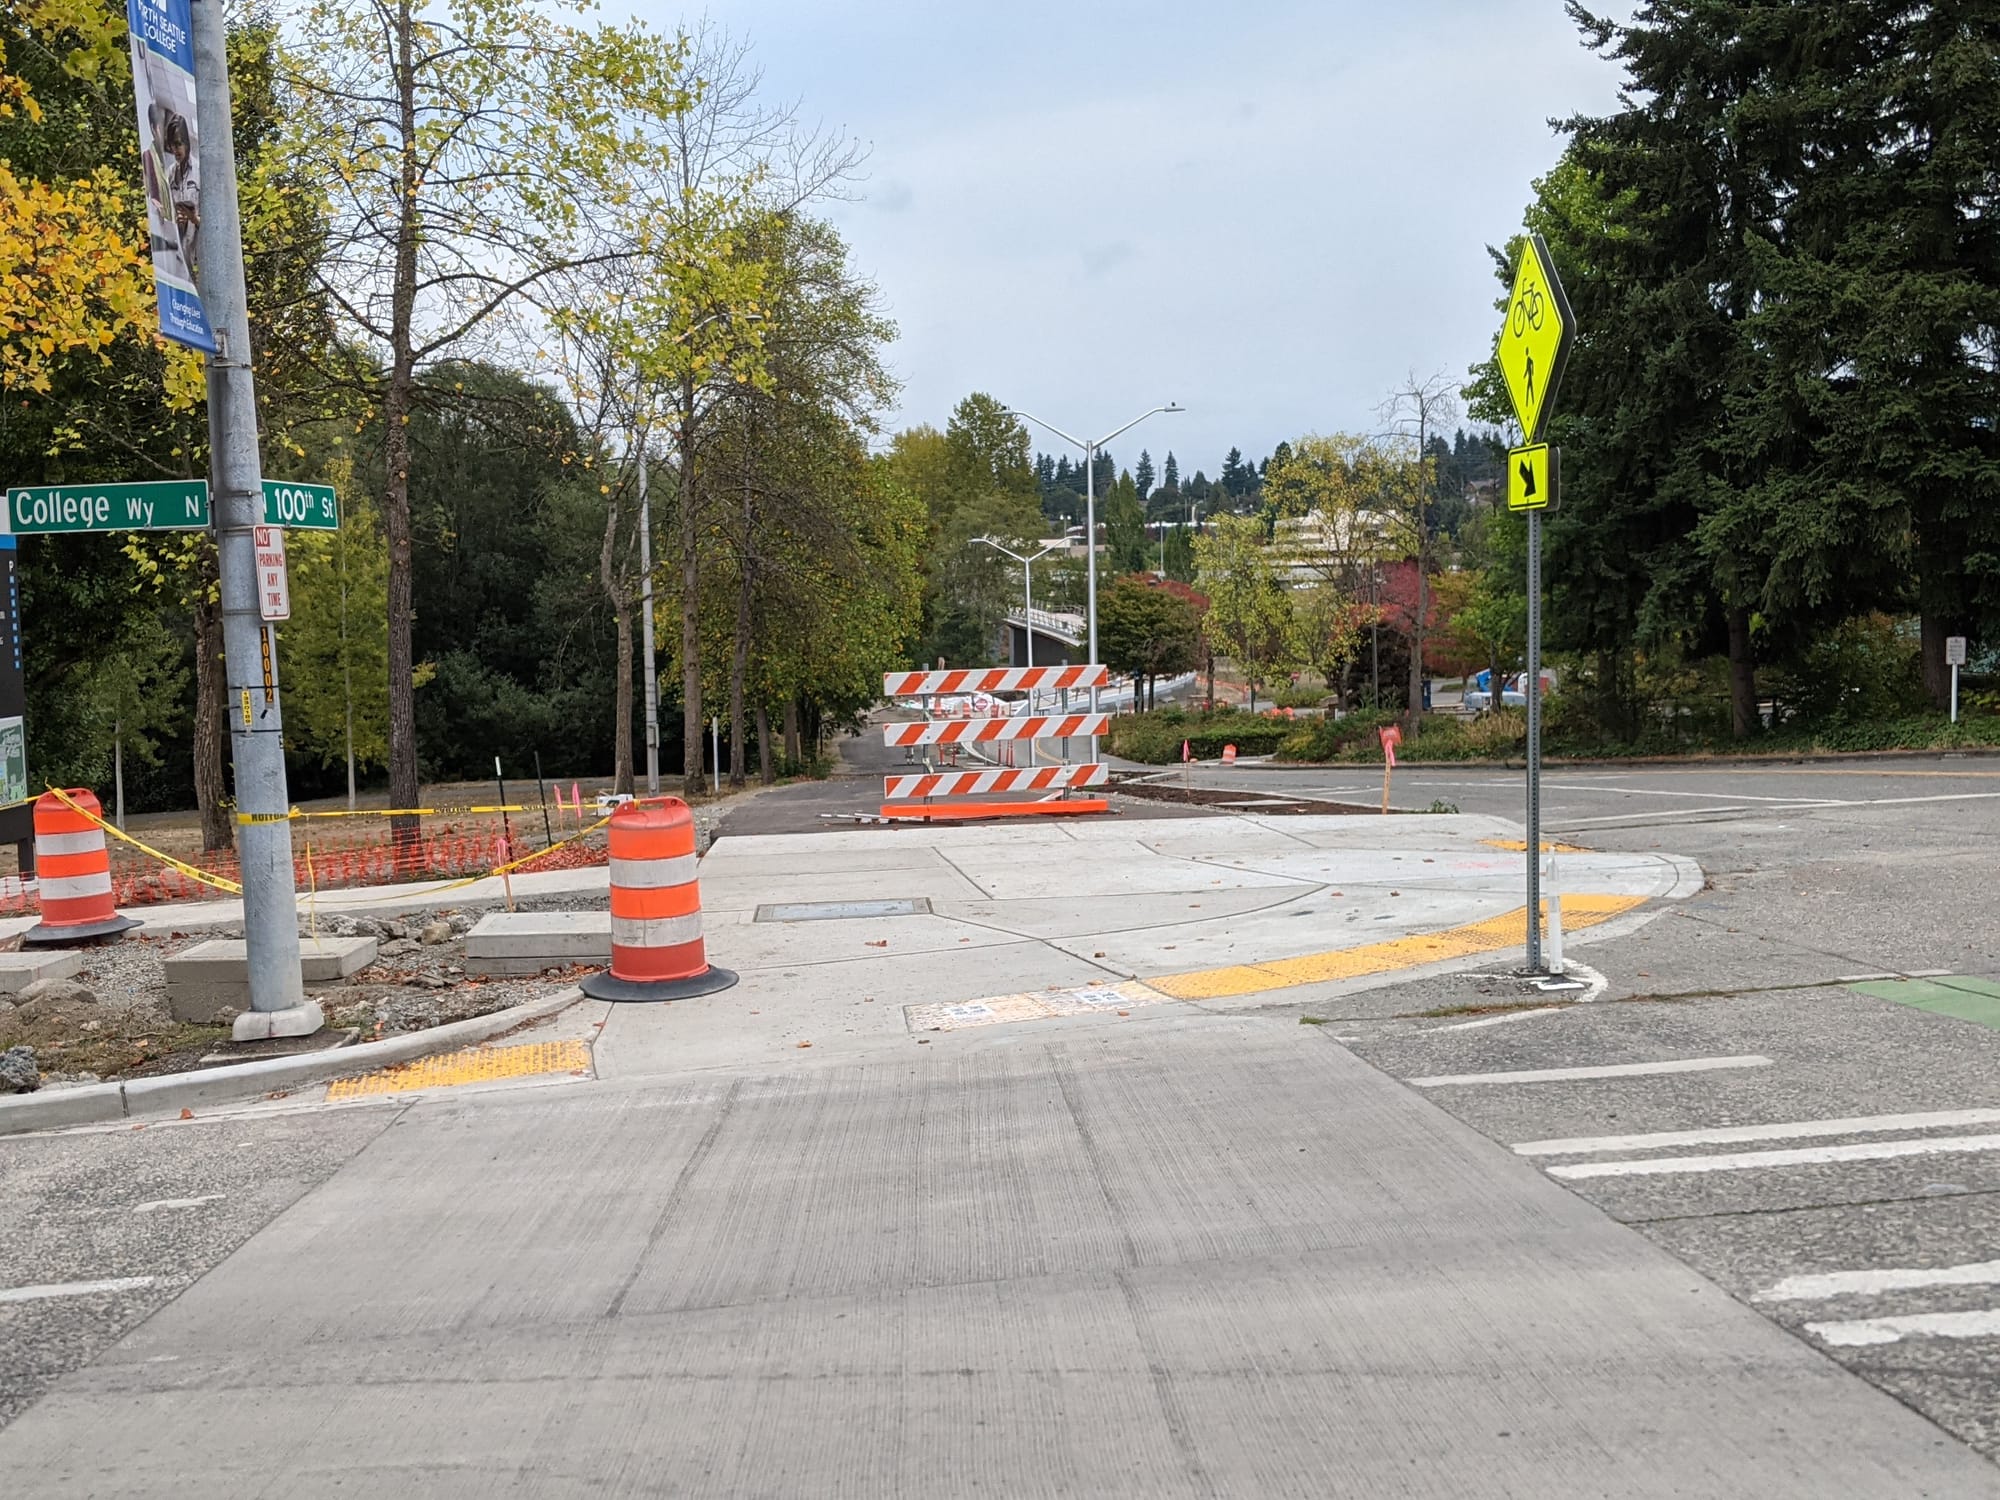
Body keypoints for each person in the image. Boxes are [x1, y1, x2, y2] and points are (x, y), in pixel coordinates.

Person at [163, 112, 200, 282]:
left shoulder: (200, 171)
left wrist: (194, 218)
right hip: (179, 257)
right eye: (172, 146)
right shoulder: (170, 174)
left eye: (178, 144)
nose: (175, 150)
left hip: (200, 255)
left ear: (186, 143)